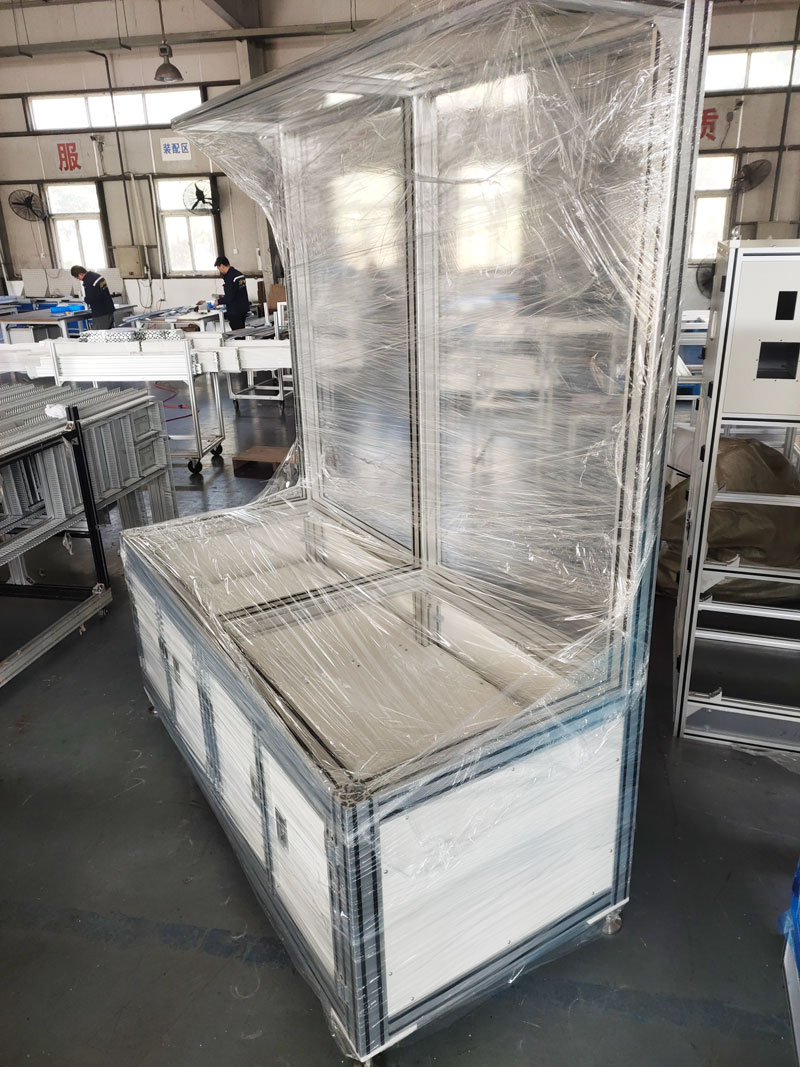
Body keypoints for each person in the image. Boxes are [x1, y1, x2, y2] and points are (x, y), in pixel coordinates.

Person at [70, 265, 116, 330]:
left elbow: (90, 298)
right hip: (108, 309)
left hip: (100, 312)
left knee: (98, 334)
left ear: (80, 274)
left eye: (77, 277)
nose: (79, 279)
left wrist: (85, 299)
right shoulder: (97, 276)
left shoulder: (89, 281)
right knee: (109, 332)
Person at [213, 255, 249, 331]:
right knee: (241, 331)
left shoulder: (229, 277)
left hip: (235, 310)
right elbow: (239, 291)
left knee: (237, 333)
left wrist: (219, 301)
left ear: (222, 266)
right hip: (243, 308)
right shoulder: (239, 274)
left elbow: (230, 296)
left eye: (219, 268)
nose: (220, 271)